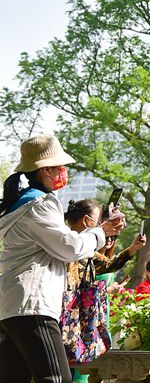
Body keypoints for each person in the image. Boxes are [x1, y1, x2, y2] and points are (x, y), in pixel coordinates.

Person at [0, 135, 124, 383]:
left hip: (13, 305)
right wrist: (102, 231)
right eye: (60, 167)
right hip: (32, 303)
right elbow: (70, 247)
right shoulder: (40, 203)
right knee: (56, 379)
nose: (64, 172)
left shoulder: (20, 203)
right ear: (45, 170)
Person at [64, 200, 146, 383]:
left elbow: (108, 264)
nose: (101, 225)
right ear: (86, 221)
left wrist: (133, 248)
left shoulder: (87, 248)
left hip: (75, 317)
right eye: (98, 220)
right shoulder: (64, 241)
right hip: (60, 314)